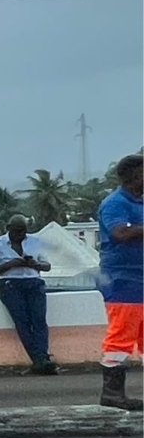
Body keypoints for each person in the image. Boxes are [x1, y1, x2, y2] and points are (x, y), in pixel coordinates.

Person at [96, 151, 143, 410]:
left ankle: (116, 394)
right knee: (121, 338)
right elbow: (121, 232)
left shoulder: (139, 203)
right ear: (136, 175)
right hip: (124, 280)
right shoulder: (115, 203)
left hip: (140, 279)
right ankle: (112, 394)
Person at [0, 215, 56, 375]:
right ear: (8, 229)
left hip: (33, 282)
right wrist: (10, 265)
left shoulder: (35, 242)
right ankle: (40, 359)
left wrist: (35, 265)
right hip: (10, 284)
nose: (20, 234)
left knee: (39, 321)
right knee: (22, 322)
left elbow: (47, 266)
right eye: (16, 231)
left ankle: (41, 359)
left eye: (23, 231)